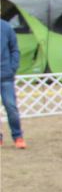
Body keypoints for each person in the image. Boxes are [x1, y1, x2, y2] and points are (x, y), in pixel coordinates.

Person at [1, 18, 26, 148]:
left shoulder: (6, 27)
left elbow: (14, 49)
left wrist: (12, 68)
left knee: (11, 107)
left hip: (6, 75)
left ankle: (18, 136)